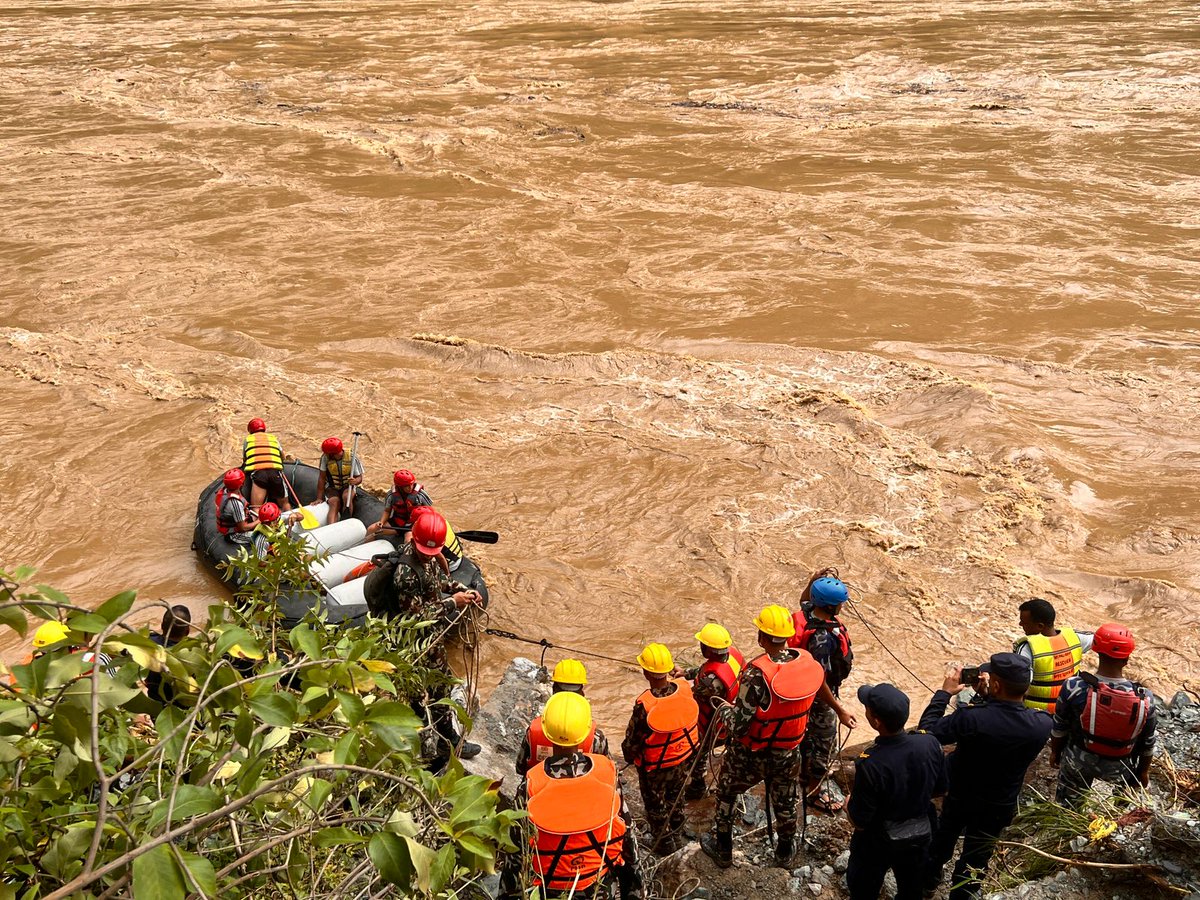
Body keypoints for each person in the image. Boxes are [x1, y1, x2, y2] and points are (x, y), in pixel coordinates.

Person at [702, 605, 857, 869]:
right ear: (787, 636)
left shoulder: (756, 673)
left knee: (727, 793)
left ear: (761, 638)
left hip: (749, 753)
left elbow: (739, 726)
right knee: (785, 800)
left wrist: (723, 709)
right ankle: (785, 851)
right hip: (788, 751)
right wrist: (839, 709)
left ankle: (723, 848)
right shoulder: (807, 662)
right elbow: (820, 684)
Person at [920, 653, 1053, 900]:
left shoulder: (971, 718)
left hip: (961, 795)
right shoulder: (1041, 724)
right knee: (978, 855)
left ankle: (928, 883)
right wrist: (988, 697)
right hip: (999, 803)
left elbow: (927, 730)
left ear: (997, 685)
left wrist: (944, 693)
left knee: (942, 841)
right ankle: (963, 895)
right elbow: (1005, 718)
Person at [363, 510, 483, 765]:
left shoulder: (426, 558)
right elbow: (415, 617)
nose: (429, 555)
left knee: (441, 686)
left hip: (431, 638)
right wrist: (453, 603)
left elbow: (439, 581)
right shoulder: (404, 574)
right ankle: (428, 745)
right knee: (418, 693)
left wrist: (464, 590)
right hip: (413, 642)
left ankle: (444, 740)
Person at [505, 692, 643, 899]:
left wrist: (508, 893)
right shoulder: (609, 776)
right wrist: (635, 889)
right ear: (587, 731)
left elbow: (516, 850)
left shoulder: (531, 785)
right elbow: (627, 833)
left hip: (549, 888)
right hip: (600, 885)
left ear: (545, 730)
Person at [846, 684, 947, 900]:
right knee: (912, 889)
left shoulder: (870, 763)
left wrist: (848, 806)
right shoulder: (929, 743)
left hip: (878, 841)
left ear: (875, 721)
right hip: (920, 834)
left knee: (863, 887)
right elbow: (940, 789)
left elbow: (860, 821)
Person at [1050, 622, 1156, 807]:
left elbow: (1059, 728)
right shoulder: (1145, 697)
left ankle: (1067, 818)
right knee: (1120, 811)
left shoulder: (1074, 687)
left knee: (1067, 805)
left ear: (1096, 651)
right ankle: (1116, 824)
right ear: (1127, 658)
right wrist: (1143, 772)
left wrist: (1055, 753)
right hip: (1120, 765)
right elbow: (1148, 743)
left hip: (1078, 759)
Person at [622, 643, 700, 855]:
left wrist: (628, 755)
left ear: (646, 672)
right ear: (669, 669)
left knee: (656, 806)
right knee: (677, 798)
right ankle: (677, 833)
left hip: (655, 768)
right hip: (682, 759)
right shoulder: (684, 689)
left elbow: (631, 743)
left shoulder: (645, 705)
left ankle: (664, 844)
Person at [789, 572, 854, 812]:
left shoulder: (808, 613)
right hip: (819, 697)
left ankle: (803, 775)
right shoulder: (822, 638)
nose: (842, 606)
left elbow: (803, 599)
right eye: (840, 603)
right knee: (824, 742)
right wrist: (840, 711)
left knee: (806, 735)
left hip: (800, 689)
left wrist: (813, 580)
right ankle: (814, 791)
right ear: (831, 606)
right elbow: (819, 680)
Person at [683, 622, 745, 800]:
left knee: (697, 754)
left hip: (713, 727)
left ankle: (697, 785)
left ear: (708, 650)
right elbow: (707, 670)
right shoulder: (733, 656)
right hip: (732, 718)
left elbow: (691, 696)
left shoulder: (711, 683)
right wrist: (686, 673)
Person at [517, 659, 611, 774]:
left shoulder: (533, 731)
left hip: (538, 788)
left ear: (553, 690)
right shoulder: (596, 737)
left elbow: (520, 768)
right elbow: (607, 771)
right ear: (582, 693)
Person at [1014, 598, 1093, 713]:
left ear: (1040, 626)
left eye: (1024, 622)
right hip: (1069, 712)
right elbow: (1102, 638)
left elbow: (1017, 686)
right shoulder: (1075, 637)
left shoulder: (1026, 648)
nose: (1020, 624)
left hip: (1038, 716)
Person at [367, 470, 432, 542]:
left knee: (408, 540)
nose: (410, 487)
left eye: (411, 484)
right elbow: (387, 511)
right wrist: (381, 522)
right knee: (371, 529)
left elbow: (430, 511)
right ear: (399, 487)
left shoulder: (420, 494)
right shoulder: (391, 495)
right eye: (406, 486)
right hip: (397, 523)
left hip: (413, 525)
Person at [146, 606, 192, 705]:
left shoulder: (148, 644)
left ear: (162, 625)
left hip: (155, 705)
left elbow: (119, 653)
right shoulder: (192, 654)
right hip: (184, 708)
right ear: (187, 631)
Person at [241, 418, 290, 511]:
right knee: (285, 504)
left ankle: (258, 524)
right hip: (275, 473)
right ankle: (291, 519)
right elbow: (283, 457)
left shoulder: (248, 439)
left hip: (259, 474)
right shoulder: (273, 438)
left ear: (250, 430)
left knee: (256, 507)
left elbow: (245, 458)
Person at [314, 437, 363, 524]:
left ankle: (346, 523)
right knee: (334, 502)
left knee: (347, 497)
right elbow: (322, 478)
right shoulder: (325, 458)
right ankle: (331, 527)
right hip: (332, 487)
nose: (325, 454)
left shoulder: (352, 457)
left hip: (347, 486)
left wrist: (355, 481)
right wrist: (319, 498)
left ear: (332, 453)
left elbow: (359, 478)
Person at [215, 469, 255, 545]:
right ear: (241, 484)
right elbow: (243, 528)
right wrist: (260, 521)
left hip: (237, 522)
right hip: (234, 534)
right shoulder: (235, 503)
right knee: (265, 536)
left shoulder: (225, 491)